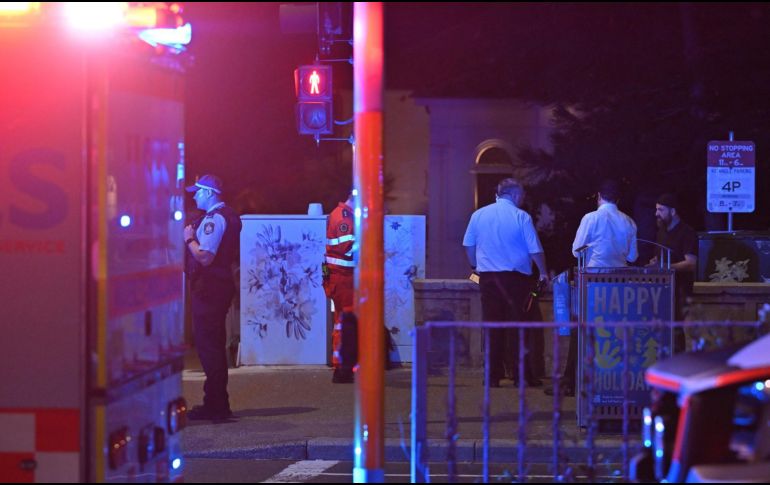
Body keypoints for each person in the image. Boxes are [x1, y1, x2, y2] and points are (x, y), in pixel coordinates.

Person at [546, 179, 638, 397]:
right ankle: (608, 382)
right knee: (613, 334)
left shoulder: (591, 218)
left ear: (599, 196)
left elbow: (576, 251)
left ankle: (572, 382)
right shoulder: (629, 222)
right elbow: (633, 256)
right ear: (618, 199)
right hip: (619, 286)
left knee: (582, 330)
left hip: (593, 282)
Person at [463, 178, 549, 388]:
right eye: (522, 195)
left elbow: (468, 245)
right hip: (516, 280)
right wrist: (544, 273)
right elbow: (535, 250)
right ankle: (521, 376)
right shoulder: (521, 217)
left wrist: (475, 265)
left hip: (489, 279)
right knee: (518, 328)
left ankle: (492, 377)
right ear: (515, 195)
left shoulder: (479, 215)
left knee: (493, 327)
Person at [184, 174, 242, 421]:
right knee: (213, 345)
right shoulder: (224, 215)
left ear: (208, 193)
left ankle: (216, 406)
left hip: (209, 289)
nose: (194, 196)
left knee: (210, 348)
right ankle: (216, 402)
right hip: (216, 288)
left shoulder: (214, 219)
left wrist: (189, 238)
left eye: (197, 192)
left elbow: (205, 256)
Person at [649, 193, 697, 350]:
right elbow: (660, 259)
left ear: (673, 211)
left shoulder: (687, 232)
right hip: (661, 291)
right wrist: (654, 264)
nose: (657, 214)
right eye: (656, 210)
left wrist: (666, 267)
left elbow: (691, 263)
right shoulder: (661, 231)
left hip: (680, 291)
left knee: (677, 332)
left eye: (661, 210)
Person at [323, 192, 357, 383]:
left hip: (341, 278)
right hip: (342, 278)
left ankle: (343, 365)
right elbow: (347, 247)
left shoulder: (343, 214)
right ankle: (343, 368)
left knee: (343, 323)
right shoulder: (344, 217)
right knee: (346, 323)